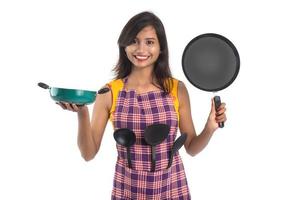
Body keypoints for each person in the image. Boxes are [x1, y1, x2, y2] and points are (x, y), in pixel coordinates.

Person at [57, 11, 226, 200]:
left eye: (150, 42)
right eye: (134, 41)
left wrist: (210, 127)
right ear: (124, 45)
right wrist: (82, 113)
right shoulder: (109, 92)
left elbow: (192, 148)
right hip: (128, 190)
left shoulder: (176, 89)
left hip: (171, 189)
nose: (141, 49)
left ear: (161, 47)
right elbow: (88, 154)